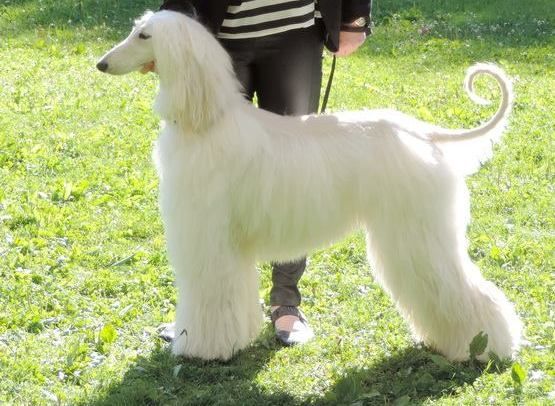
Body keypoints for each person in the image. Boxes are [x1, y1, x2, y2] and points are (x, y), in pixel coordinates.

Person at [151, 0, 372, 346]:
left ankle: (286, 303)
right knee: (206, 187)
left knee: (294, 175)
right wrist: (166, 32)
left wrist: (354, 16)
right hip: (213, 33)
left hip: (293, 31)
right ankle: (206, 312)